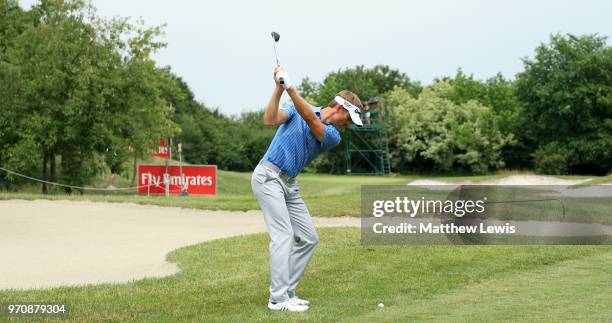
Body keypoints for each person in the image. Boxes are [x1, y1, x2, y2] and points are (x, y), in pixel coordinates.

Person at [251, 66, 363, 312]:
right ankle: (277, 299)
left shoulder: (333, 135)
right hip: (268, 177)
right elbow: (269, 119)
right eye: (349, 119)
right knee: (282, 236)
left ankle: (287, 292)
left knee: (309, 238)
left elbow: (311, 120)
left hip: (289, 184)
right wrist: (279, 89)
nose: (349, 125)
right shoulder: (298, 108)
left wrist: (290, 86)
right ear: (341, 109)